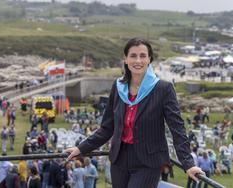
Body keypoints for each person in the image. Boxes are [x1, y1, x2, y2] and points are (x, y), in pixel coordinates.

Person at [65, 38, 204, 188]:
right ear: (125, 59)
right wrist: (81, 148)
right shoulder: (118, 87)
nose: (138, 60)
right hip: (119, 160)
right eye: (133, 56)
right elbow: (107, 127)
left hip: (148, 162)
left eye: (143, 56)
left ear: (150, 59)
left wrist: (188, 164)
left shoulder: (163, 89)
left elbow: (177, 129)